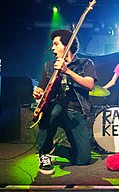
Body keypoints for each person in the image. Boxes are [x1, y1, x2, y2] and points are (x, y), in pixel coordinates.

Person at [33, 29, 98, 175]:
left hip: (76, 113)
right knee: (53, 109)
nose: (53, 48)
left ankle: (57, 149)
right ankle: (44, 153)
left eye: (56, 44)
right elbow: (41, 90)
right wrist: (37, 94)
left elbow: (90, 85)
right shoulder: (49, 65)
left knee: (83, 159)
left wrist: (67, 71)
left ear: (67, 45)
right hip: (57, 109)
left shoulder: (85, 63)